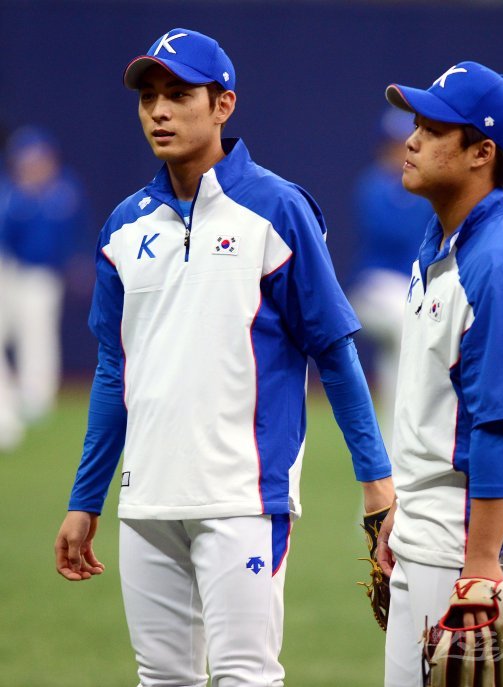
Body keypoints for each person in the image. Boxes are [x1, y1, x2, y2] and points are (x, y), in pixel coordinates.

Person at [54, 27, 394, 687]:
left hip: (244, 497)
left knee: (245, 675)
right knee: (161, 677)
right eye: (149, 96)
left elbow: (333, 350)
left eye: (178, 94)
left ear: (223, 105)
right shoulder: (124, 225)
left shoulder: (278, 210)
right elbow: (113, 368)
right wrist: (85, 497)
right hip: (148, 500)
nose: (159, 111)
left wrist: (376, 482)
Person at [376, 62, 503, 686]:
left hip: (475, 533)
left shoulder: (502, 264)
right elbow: (440, 403)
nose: (412, 141)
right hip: (434, 519)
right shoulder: (445, 241)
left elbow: (502, 422)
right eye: (416, 125)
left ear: (481, 153)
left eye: (434, 130)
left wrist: (483, 564)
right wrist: (406, 506)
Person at [349, 108, 432, 448]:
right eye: (398, 142)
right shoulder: (375, 185)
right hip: (376, 288)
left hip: (413, 291)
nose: (405, 148)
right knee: (405, 323)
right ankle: (399, 437)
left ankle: (397, 446)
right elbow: (396, 233)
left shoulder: (425, 186)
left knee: (397, 364)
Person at [0, 126, 86, 450]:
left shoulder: (64, 190)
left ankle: (36, 398)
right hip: (10, 272)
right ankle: (7, 403)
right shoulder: (12, 193)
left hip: (43, 275)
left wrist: (77, 261)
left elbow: (77, 230)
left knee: (38, 335)